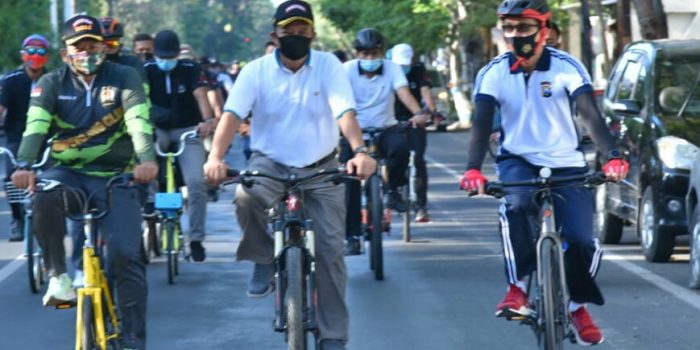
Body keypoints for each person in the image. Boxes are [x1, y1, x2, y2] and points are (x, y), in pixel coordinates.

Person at [203, 1, 376, 348]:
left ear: (312, 32)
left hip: (322, 166)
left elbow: (345, 113)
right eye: (288, 31)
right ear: (275, 34)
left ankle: (333, 335)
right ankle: (262, 257)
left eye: (302, 30)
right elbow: (232, 116)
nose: (296, 36)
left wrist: (359, 151)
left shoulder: (328, 66)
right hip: (270, 162)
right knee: (245, 195)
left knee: (330, 251)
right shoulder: (255, 71)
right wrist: (215, 157)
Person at [460, 1, 629, 346]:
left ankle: (576, 306)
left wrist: (612, 156)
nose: (514, 35)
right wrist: (473, 169)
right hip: (517, 160)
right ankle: (518, 287)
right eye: (508, 28)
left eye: (523, 27)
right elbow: (480, 125)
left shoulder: (567, 67)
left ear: (545, 30)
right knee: (517, 206)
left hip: (566, 162)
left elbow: (591, 116)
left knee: (582, 240)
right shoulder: (492, 73)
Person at [11, 15, 157, 349]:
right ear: (65, 53)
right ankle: (58, 276)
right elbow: (35, 126)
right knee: (43, 195)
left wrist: (146, 160)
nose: (86, 51)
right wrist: (24, 164)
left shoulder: (125, 76)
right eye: (78, 46)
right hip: (69, 174)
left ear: (104, 48)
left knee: (125, 255)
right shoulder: (50, 83)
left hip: (118, 175)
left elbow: (138, 122)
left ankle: (134, 338)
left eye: (92, 44)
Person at [340, 28, 428, 254]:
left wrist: (418, 114)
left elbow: (404, 94)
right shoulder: (346, 70)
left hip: (384, 129)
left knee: (401, 148)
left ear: (381, 51)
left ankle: (394, 191)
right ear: (357, 53)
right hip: (354, 133)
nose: (370, 58)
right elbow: (336, 100)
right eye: (365, 54)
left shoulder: (392, 69)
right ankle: (351, 236)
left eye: (374, 53)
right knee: (348, 180)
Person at [144, 29, 215, 262]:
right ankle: (150, 202)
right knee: (147, 155)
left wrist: (206, 121)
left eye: (170, 57)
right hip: (158, 128)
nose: (166, 62)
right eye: (161, 57)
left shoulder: (190, 69)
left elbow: (201, 95)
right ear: (154, 54)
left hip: (188, 129)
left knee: (196, 182)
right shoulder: (145, 71)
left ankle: (196, 239)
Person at [0, 34, 50, 242]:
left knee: (55, 178)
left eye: (40, 52)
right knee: (12, 176)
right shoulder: (10, 81)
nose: (35, 56)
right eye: (30, 51)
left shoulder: (55, 79)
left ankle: (53, 218)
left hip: (48, 137)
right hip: (17, 137)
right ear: (23, 55)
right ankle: (17, 219)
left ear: (46, 56)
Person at [391, 43, 437, 223]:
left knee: (418, 161)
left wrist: (431, 112)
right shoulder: (388, 69)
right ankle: (389, 193)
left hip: (415, 119)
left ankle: (421, 206)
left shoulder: (418, 70)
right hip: (390, 120)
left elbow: (425, 91)